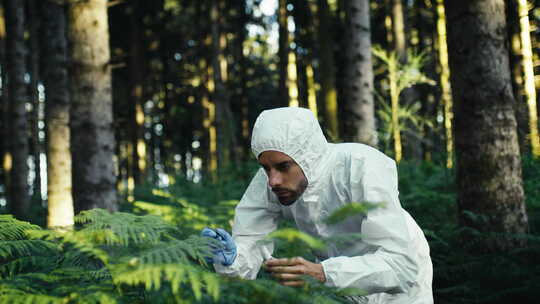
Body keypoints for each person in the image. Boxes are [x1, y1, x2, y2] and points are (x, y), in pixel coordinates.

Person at [201, 107, 433, 303]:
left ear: (307, 157)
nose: (273, 181)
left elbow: (401, 267)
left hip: (401, 270)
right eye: (265, 168)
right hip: (335, 277)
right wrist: (232, 260)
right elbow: (250, 240)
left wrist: (323, 273)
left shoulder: (359, 166)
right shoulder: (271, 179)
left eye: (283, 167)